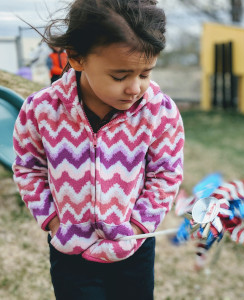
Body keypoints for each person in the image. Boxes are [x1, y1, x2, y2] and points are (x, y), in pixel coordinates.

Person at [12, 0, 184, 299]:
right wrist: (54, 220)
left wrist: (134, 227)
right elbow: (28, 168)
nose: (135, 88)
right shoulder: (41, 110)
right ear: (77, 59)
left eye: (145, 74)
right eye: (120, 76)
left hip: (133, 249)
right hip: (70, 252)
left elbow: (166, 173)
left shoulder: (160, 111)